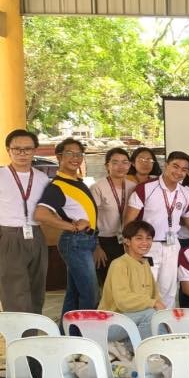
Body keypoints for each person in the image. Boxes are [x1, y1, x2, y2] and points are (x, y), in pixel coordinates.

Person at [124, 150, 189, 309]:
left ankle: (165, 326)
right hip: (147, 246)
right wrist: (129, 246)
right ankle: (145, 326)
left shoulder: (185, 193)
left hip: (172, 246)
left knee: (169, 290)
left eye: (184, 169)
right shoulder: (145, 188)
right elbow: (129, 221)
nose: (179, 172)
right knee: (145, 290)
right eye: (175, 166)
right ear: (166, 166)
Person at [34, 138, 99, 318]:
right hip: (76, 242)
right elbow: (40, 214)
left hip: (85, 241)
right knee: (90, 293)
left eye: (79, 154)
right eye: (70, 153)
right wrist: (71, 226)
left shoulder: (75, 181)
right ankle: (86, 334)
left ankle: (67, 333)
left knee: (75, 292)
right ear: (59, 156)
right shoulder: (58, 186)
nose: (75, 158)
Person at [0, 129, 49, 315]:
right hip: (8, 235)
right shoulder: (1, 175)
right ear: (8, 150)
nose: (22, 153)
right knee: (14, 290)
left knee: (37, 288)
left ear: (34, 150)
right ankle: (18, 338)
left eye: (27, 149)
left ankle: (32, 336)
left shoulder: (42, 178)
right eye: (17, 149)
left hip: (36, 234)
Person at [98, 220, 164, 338]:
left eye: (148, 238)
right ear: (127, 241)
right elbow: (123, 301)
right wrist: (153, 303)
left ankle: (129, 349)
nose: (145, 242)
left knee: (163, 319)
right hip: (111, 323)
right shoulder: (119, 264)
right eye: (139, 238)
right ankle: (141, 352)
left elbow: (155, 296)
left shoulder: (145, 264)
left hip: (133, 320)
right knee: (151, 316)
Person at [91, 147, 137, 284]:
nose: (120, 166)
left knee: (126, 282)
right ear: (107, 165)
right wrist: (96, 247)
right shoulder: (98, 187)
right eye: (115, 162)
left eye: (125, 162)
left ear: (129, 165)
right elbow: (90, 218)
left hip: (126, 241)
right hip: (105, 242)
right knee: (108, 284)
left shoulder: (133, 186)